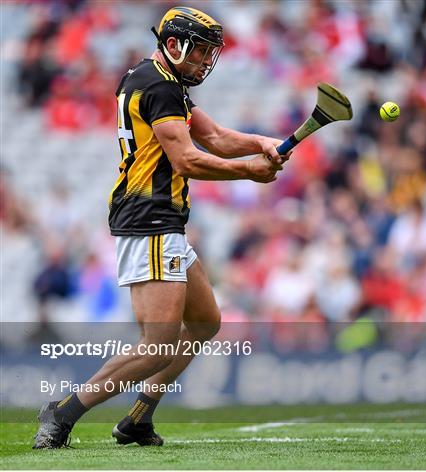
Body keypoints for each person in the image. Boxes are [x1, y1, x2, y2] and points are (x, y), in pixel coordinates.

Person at [33, 6, 289, 449]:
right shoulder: (160, 86)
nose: (205, 63)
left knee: (206, 322)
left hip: (161, 219)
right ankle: (63, 411)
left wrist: (259, 142)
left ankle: (138, 416)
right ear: (173, 45)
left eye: (211, 54)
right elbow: (187, 159)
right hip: (150, 219)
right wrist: (248, 171)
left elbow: (213, 136)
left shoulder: (158, 79)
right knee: (158, 344)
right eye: (200, 53)